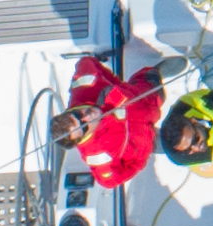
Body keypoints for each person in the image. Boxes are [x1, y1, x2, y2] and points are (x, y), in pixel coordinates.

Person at [49, 54, 165, 187]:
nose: (87, 117)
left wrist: (116, 84)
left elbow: (86, 62)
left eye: (77, 114)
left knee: (154, 83)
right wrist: (140, 159)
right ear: (80, 139)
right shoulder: (97, 155)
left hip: (146, 98)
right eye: (84, 126)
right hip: (148, 140)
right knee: (177, 143)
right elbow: (108, 182)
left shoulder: (84, 89)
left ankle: (155, 74)